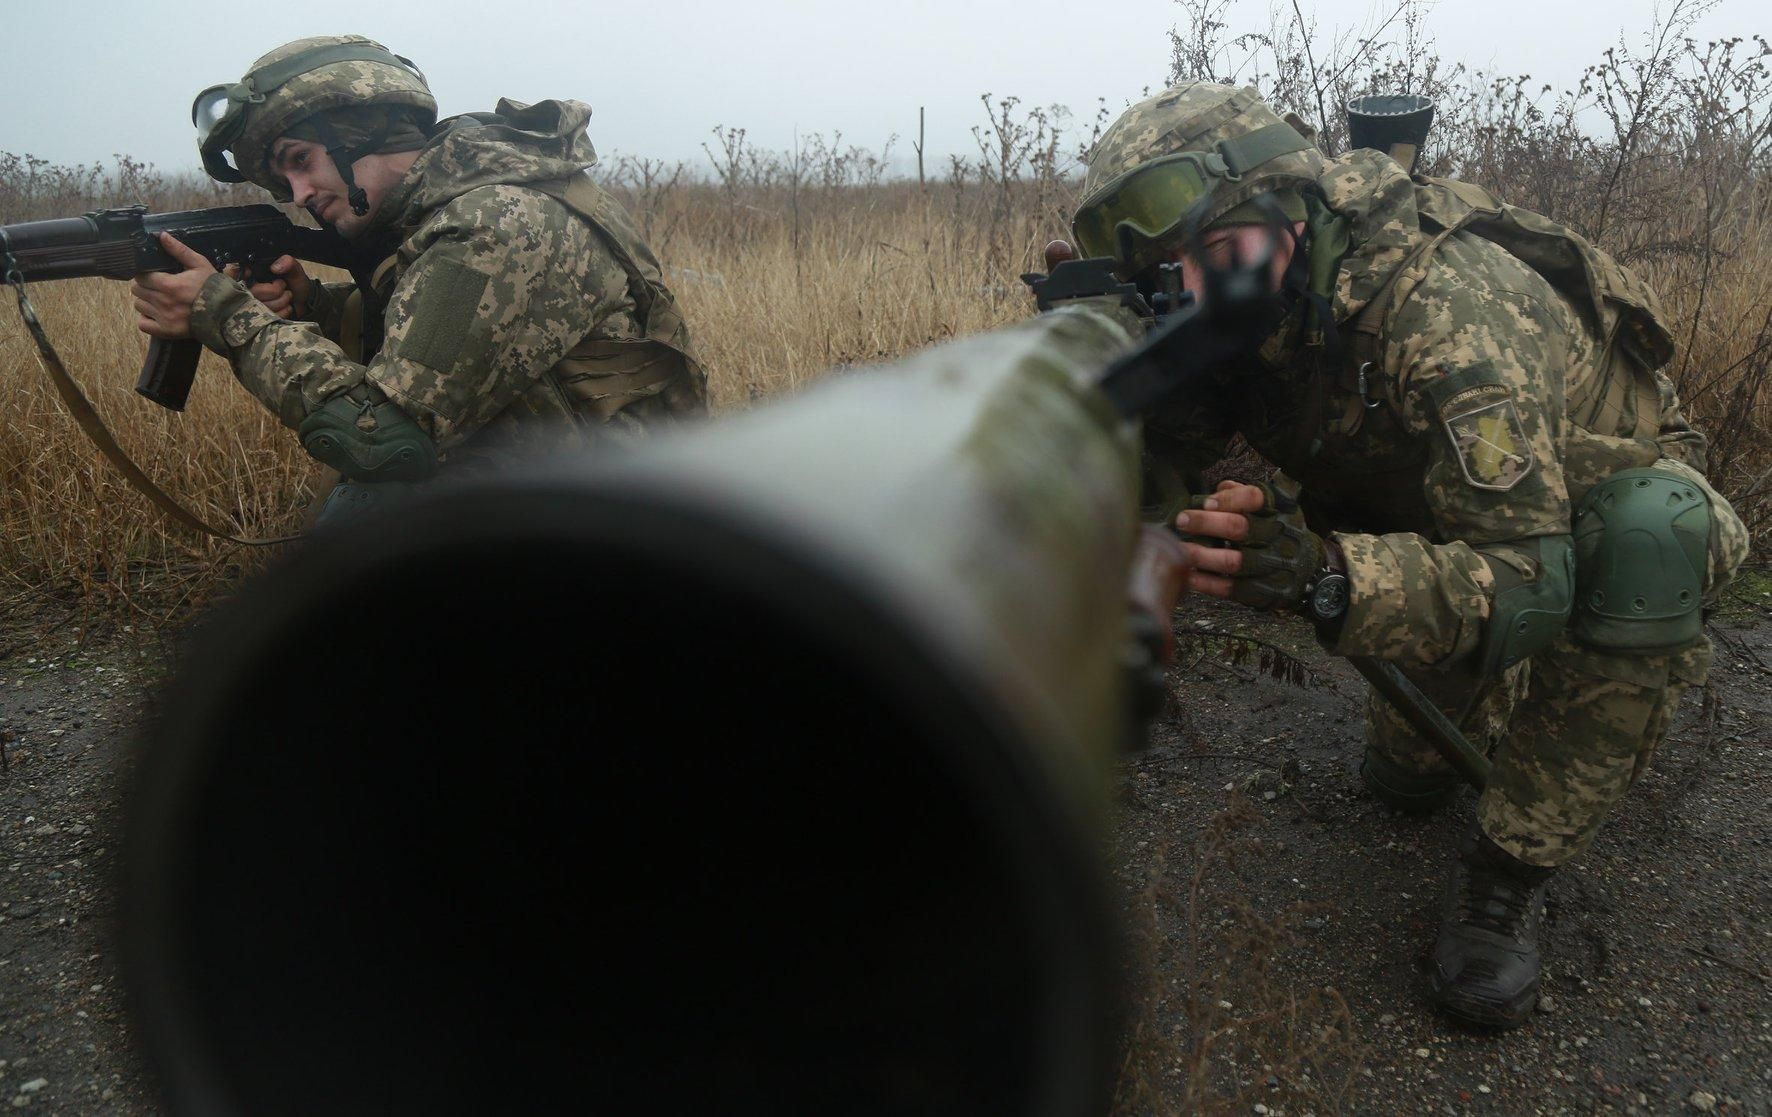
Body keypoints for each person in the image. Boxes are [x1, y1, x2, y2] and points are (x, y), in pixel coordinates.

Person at [1064, 82, 1747, 1027]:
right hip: (1443, 496)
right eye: (1163, 271)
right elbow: (1164, 458)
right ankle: (1491, 705)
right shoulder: (1247, 284)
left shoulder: (1448, 316)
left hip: (1591, 493)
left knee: (1645, 538)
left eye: (1210, 254)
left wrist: (1323, 575)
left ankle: (1508, 875)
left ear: (1288, 213)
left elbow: (1531, 582)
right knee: (1405, 785)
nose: (1190, 290)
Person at [130, 35, 705, 521]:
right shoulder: (449, 210)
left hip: (608, 523)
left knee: (367, 506)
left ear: (359, 133)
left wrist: (228, 316)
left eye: (300, 159)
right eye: (284, 178)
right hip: (574, 491)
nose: (299, 196)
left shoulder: (494, 223)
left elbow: (382, 439)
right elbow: (448, 336)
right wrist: (313, 307)